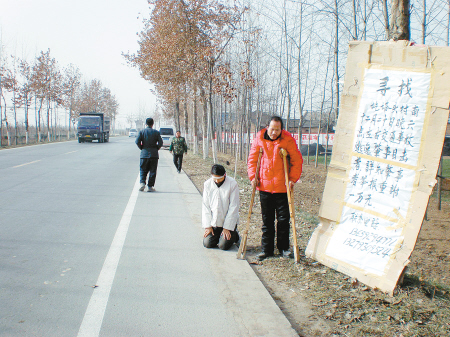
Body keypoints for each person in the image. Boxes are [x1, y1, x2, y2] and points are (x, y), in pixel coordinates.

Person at [247, 116, 303, 261]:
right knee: (267, 220)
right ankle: (267, 249)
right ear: (267, 127)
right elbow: (252, 160)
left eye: (277, 130)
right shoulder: (259, 139)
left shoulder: (287, 140)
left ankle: (284, 248)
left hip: (282, 187)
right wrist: (253, 177)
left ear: (281, 129)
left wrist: (292, 179)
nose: (274, 132)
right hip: (264, 187)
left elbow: (297, 160)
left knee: (283, 220)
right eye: (272, 129)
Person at [202, 164, 240, 250]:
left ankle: (234, 234)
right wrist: (208, 226)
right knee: (207, 243)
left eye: (219, 178)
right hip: (214, 224)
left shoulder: (232, 184)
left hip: (227, 223)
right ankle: (219, 235)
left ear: (225, 175)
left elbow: (233, 207)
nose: (216, 181)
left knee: (223, 246)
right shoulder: (207, 184)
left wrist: (227, 227)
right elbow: (205, 206)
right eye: (214, 178)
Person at [136, 118, 163, 192]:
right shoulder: (156, 132)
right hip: (154, 154)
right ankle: (150, 186)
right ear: (152, 124)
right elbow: (160, 143)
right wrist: (156, 148)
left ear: (146, 124)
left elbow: (137, 141)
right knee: (153, 171)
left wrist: (142, 148)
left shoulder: (142, 132)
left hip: (144, 154)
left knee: (143, 169)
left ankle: (142, 183)